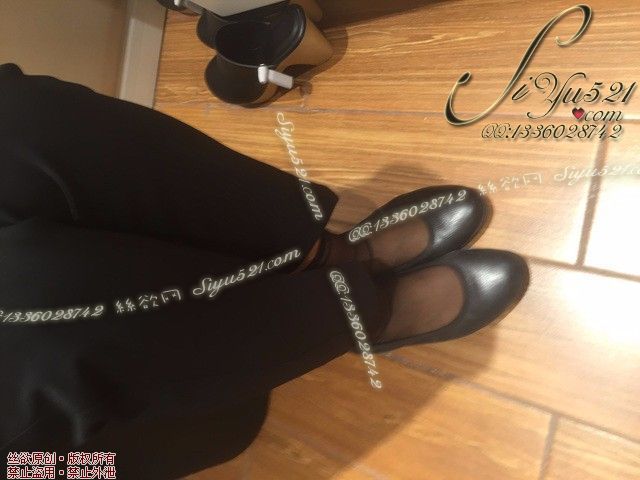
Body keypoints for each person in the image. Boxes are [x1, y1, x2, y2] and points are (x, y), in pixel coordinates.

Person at [0, 63, 528, 479]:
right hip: (38, 467)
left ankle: (314, 253)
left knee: (20, 120)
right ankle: (363, 314)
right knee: (32, 330)